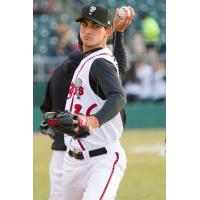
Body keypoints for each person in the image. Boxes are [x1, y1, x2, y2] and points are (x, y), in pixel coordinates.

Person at [40, 5, 135, 200]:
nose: (88, 30)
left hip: (102, 160)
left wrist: (93, 121)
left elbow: (118, 96)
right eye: (84, 25)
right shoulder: (92, 58)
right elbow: (121, 72)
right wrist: (119, 34)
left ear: (106, 32)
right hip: (72, 161)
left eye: (95, 26)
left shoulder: (99, 62)